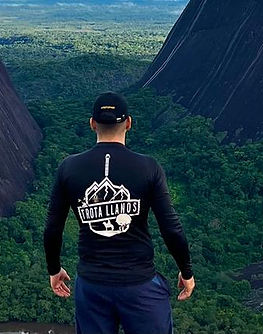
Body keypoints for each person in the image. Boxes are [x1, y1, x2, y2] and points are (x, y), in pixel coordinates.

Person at [43, 91, 195, 334]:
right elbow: (171, 227)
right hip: (140, 285)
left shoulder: (68, 168)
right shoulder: (149, 167)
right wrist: (186, 271)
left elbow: (53, 227)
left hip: (92, 287)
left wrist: (54, 269)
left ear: (92, 124)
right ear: (129, 123)